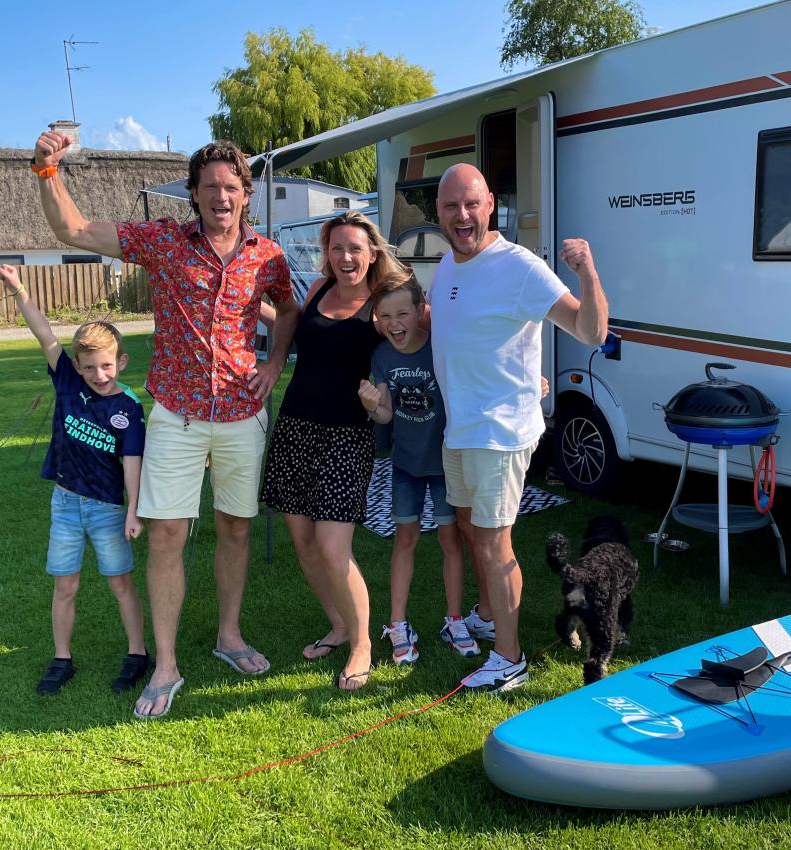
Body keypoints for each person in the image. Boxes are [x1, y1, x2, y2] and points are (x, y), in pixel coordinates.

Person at [31, 132, 297, 718]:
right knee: (166, 535)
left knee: (235, 529)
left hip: (241, 414)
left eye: (231, 187)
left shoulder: (268, 256)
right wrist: (48, 171)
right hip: (177, 414)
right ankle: (167, 665)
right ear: (194, 194)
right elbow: (74, 230)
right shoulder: (164, 242)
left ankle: (229, 636)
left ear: (245, 194)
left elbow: (289, 309)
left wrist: (275, 362)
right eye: (210, 187)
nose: (221, 196)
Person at [430, 163, 608, 693]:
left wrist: (588, 274)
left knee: (493, 541)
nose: (463, 216)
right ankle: (489, 615)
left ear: (491, 204)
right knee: (470, 527)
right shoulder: (447, 264)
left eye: (472, 204)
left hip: (500, 431)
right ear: (438, 211)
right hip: (461, 426)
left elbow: (590, 330)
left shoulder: (520, 267)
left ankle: (509, 659)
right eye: (451, 206)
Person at [259, 211, 405, 691]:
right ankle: (339, 625)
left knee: (332, 546)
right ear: (327, 252)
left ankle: (362, 645)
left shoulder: (381, 305)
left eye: (355, 249)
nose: (345, 257)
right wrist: (252, 310)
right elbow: (299, 329)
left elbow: (415, 341)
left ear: (372, 253)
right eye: (337, 247)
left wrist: (384, 399)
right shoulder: (320, 288)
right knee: (303, 542)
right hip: (296, 428)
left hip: (346, 436)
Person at [0, 264, 150, 697]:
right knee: (65, 585)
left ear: (121, 361)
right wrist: (19, 290)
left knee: (120, 582)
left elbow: (132, 461)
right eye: (90, 368)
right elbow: (44, 334)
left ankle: (138, 653)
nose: (99, 375)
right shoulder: (66, 382)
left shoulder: (129, 407)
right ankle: (62, 658)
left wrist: (133, 511)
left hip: (107, 509)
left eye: (106, 366)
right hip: (64, 506)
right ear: (76, 367)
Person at [357, 271, 481, 665]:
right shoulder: (382, 356)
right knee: (405, 538)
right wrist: (372, 406)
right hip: (405, 464)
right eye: (385, 316)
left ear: (420, 311)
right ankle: (397, 623)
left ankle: (455, 620)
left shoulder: (440, 346)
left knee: (450, 540)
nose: (394, 324)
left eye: (402, 314)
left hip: (445, 462)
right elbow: (386, 413)